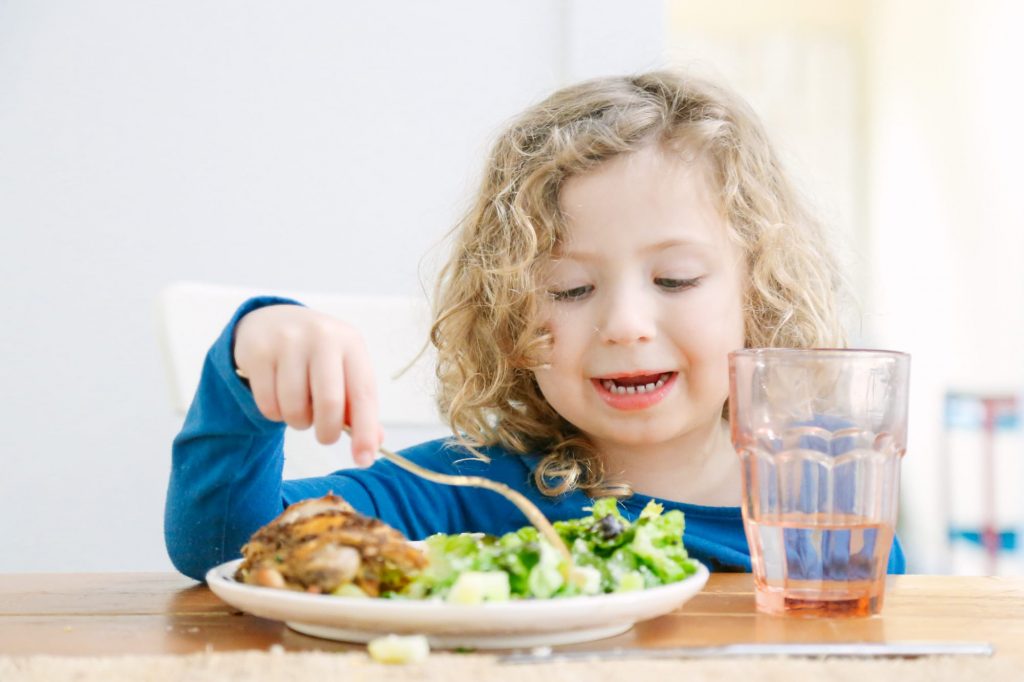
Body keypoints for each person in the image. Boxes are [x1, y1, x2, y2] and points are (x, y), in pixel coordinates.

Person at [165, 70, 906, 582]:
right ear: (508, 314)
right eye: (571, 288)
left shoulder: (826, 518)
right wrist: (249, 355)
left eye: (675, 279)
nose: (624, 323)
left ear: (759, 293)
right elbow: (231, 546)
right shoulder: (463, 489)